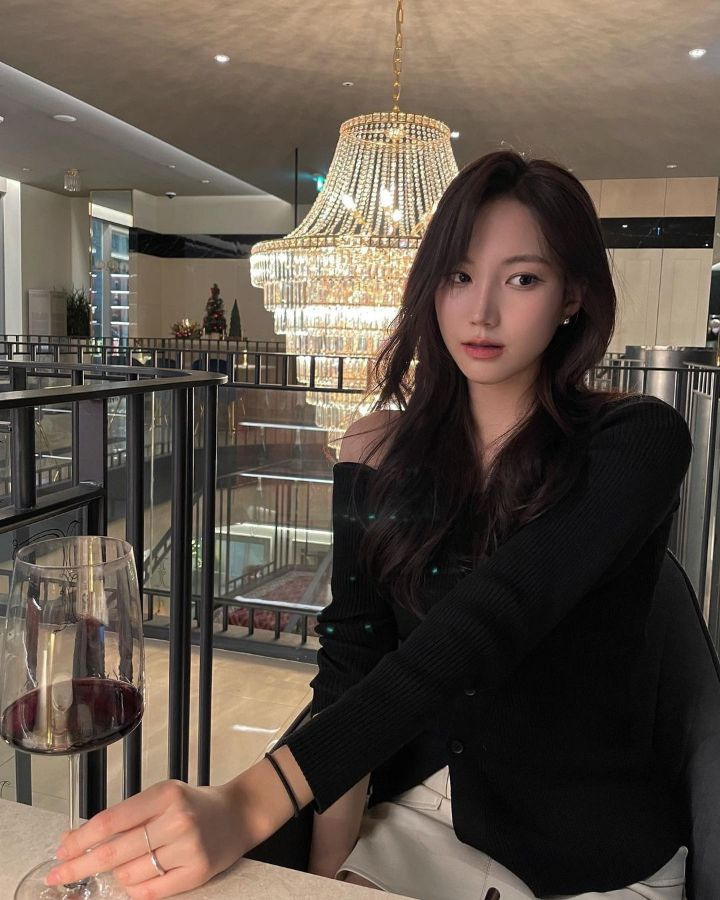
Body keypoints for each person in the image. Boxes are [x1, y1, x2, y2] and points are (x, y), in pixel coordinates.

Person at [45, 150, 693, 900]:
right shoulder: (379, 451)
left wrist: (251, 801)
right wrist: (325, 875)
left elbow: (491, 619)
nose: (481, 312)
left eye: (522, 279)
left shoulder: (637, 442)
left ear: (572, 296)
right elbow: (355, 658)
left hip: (585, 856)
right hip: (413, 822)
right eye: (458, 276)